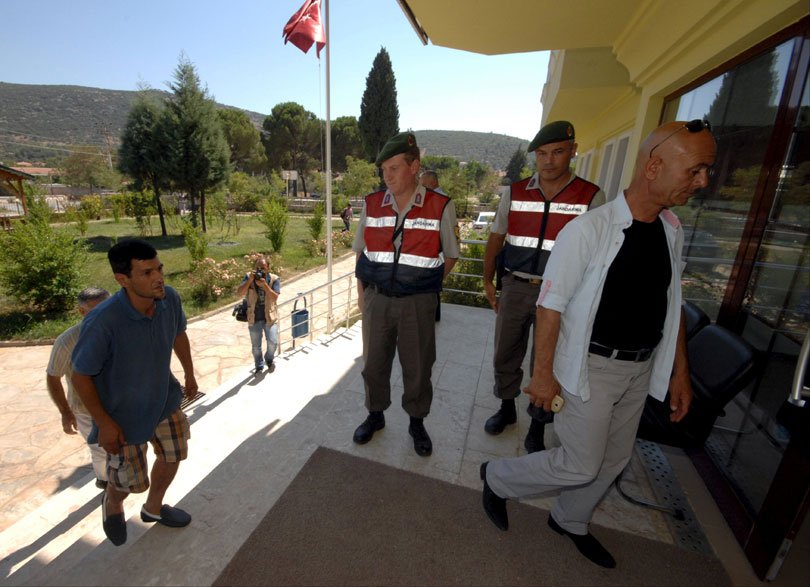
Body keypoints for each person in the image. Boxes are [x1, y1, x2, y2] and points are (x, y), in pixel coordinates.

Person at [480, 120, 715, 568]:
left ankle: (570, 519)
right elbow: (551, 307)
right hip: (592, 368)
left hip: (640, 368)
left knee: (613, 459)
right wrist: (543, 376)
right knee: (581, 463)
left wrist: (680, 372)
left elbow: (672, 303)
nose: (703, 181)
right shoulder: (590, 230)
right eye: (696, 170)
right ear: (654, 166)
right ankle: (496, 476)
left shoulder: (670, 228)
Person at [482, 121, 605, 453]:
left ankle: (537, 424)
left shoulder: (590, 196)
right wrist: (488, 280)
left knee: (546, 360)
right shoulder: (516, 191)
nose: (549, 161)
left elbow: (598, 255)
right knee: (505, 351)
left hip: (564, 295)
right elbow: (497, 236)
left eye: (558, 152)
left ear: (573, 151)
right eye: (542, 154)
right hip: (518, 286)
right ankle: (506, 408)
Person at [71, 239, 198, 547]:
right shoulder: (103, 322)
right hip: (122, 417)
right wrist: (106, 423)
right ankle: (112, 503)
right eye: (146, 273)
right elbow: (81, 376)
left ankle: (153, 509)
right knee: (129, 483)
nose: (158, 278)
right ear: (122, 279)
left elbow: (178, 333)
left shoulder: (170, 299)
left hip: (165, 400)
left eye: (159, 268)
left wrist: (190, 374)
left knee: (173, 453)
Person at [352, 131, 460, 457]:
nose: (387, 176)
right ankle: (375, 415)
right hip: (377, 299)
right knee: (373, 365)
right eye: (384, 169)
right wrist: (362, 296)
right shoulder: (372, 204)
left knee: (418, 367)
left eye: (395, 168)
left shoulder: (440, 206)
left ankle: (416, 421)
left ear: (414, 167)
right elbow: (361, 252)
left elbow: (452, 254)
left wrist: (423, 286)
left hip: (418, 303)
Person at [46, 286, 111, 489]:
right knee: (100, 449)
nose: (103, 315)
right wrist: (65, 412)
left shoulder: (120, 331)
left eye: (107, 308)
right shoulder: (68, 341)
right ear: (82, 312)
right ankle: (105, 482)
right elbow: (53, 377)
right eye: (95, 311)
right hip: (86, 410)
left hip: (120, 404)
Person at [236, 256, 281, 374]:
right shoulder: (248, 277)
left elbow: (275, 297)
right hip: (254, 318)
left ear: (268, 268)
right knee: (256, 347)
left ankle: (269, 359)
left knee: (273, 342)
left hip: (269, 318)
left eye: (263, 268)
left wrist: (265, 285)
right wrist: (250, 280)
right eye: (257, 268)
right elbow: (239, 293)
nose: (260, 270)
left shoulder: (274, 279)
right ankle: (259, 365)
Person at [420, 169, 448, 321]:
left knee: (432, 279)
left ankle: (432, 313)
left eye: (423, 183)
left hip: (436, 245)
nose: (421, 186)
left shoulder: (439, 199)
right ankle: (434, 314)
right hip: (435, 245)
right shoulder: (436, 196)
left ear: (432, 182)